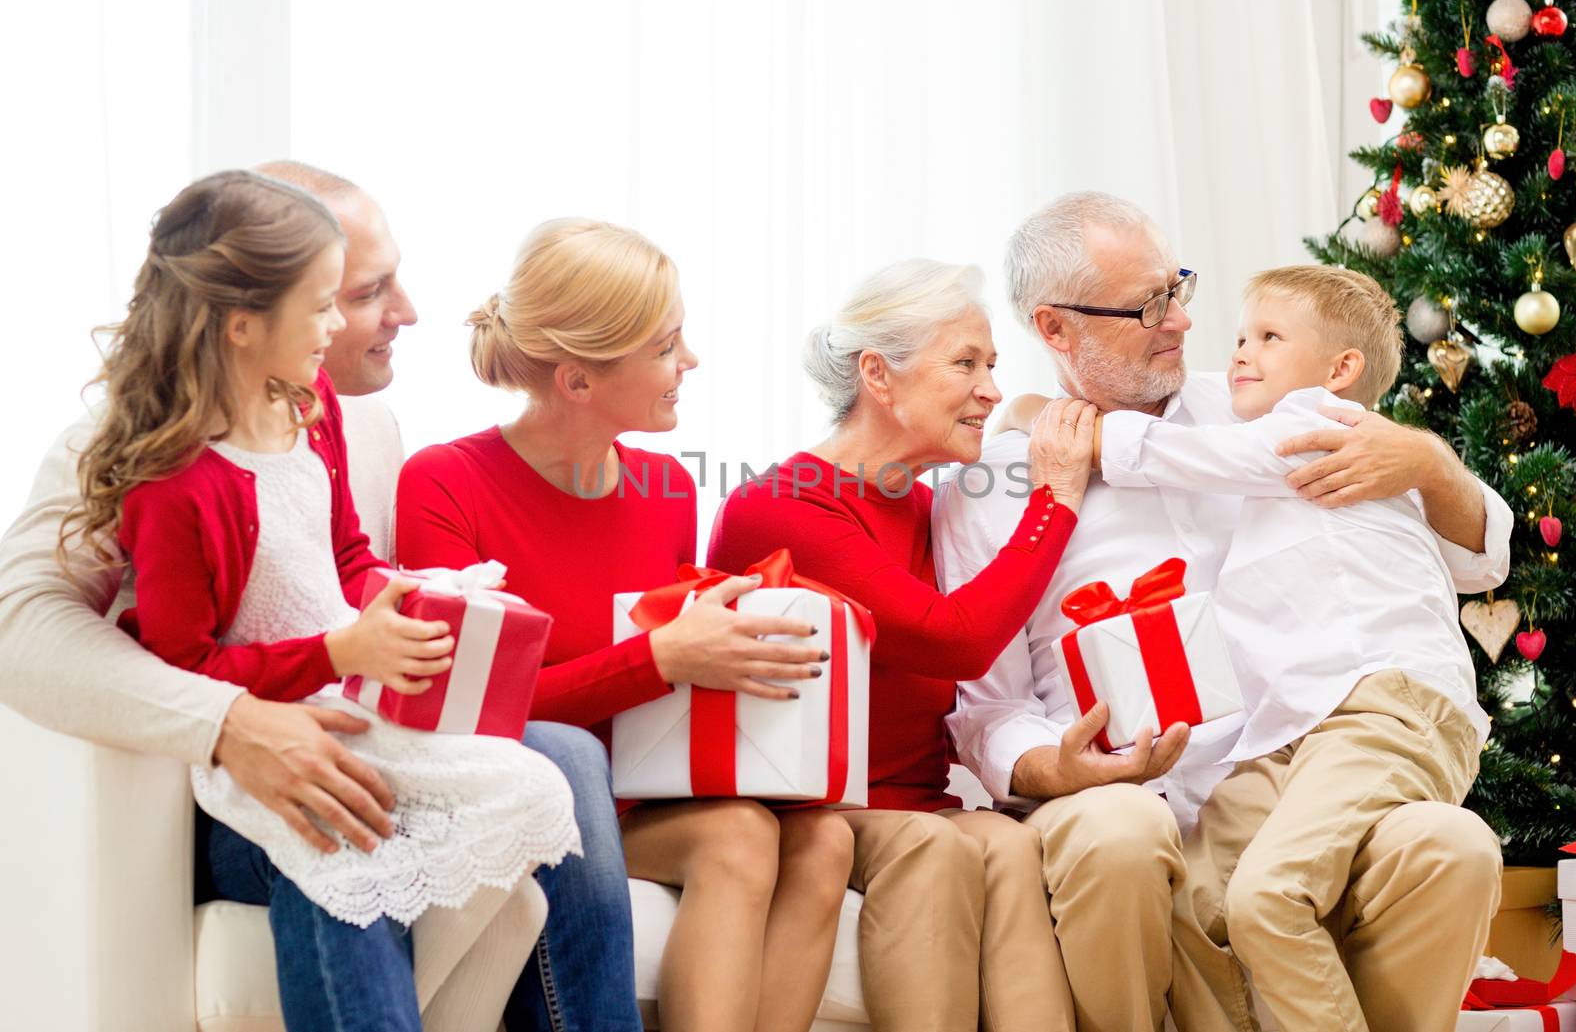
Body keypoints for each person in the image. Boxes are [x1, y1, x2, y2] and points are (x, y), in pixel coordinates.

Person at [0, 161, 643, 1032]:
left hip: (335, 709)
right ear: (247, 318)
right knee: (335, 812)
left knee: (563, 759)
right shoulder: (139, 453)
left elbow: (339, 568)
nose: (404, 313)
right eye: (359, 291)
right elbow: (26, 627)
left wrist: (416, 607)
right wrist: (231, 719)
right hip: (226, 766)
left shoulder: (344, 417)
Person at [935, 192, 1510, 1032]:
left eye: (1179, 286)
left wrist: (1427, 459)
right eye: (1149, 305)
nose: (1184, 321)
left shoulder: (1256, 409)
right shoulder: (994, 484)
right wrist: (1056, 770)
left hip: (1294, 751)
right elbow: (987, 707)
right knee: (1126, 834)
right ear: (1055, 329)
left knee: (1452, 846)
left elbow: (1480, 556)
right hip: (1132, 791)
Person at [395, 217, 853, 1032]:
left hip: (639, 792)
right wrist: (663, 656)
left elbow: (665, 692)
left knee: (823, 841)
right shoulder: (444, 482)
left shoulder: (667, 487)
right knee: (740, 839)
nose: (691, 362)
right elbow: (466, 711)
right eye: (666, 346)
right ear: (577, 380)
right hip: (531, 793)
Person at [706, 259, 1114, 1032]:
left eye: (992, 365)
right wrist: (1055, 501)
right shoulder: (787, 504)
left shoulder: (927, 504)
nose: (991, 388)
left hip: (909, 795)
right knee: (938, 844)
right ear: (877, 376)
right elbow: (953, 640)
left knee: (1007, 841)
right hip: (809, 805)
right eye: (966, 363)